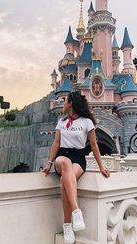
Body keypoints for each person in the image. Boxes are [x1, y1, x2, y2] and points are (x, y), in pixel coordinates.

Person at [42, 91, 110, 244]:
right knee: (65, 164)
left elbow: (93, 145)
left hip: (79, 157)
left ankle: (67, 225)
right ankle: (76, 211)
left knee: (64, 182)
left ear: (71, 103)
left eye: (65, 101)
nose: (63, 103)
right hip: (62, 156)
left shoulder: (87, 122)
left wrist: (101, 167)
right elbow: (56, 143)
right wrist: (49, 163)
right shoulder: (61, 121)